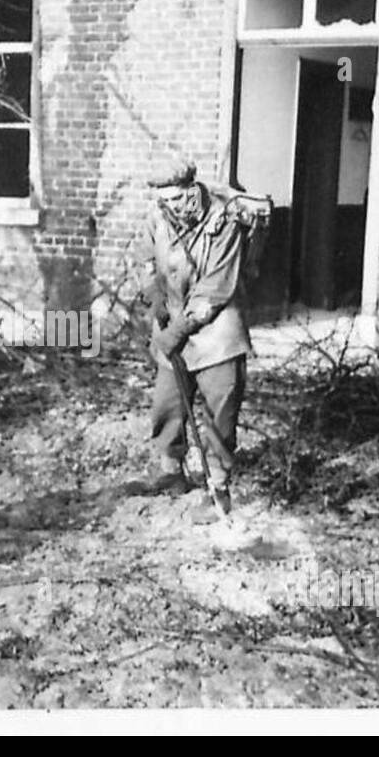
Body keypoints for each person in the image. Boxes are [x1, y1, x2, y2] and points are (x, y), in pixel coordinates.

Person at [138, 159, 252, 514]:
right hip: (173, 326)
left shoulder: (224, 223)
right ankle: (172, 472)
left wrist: (175, 331)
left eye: (175, 198)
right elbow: (146, 263)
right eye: (163, 199)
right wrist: (153, 297)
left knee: (219, 415)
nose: (169, 206)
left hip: (217, 334)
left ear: (191, 190)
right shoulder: (157, 216)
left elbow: (213, 291)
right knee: (166, 406)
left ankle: (218, 486)